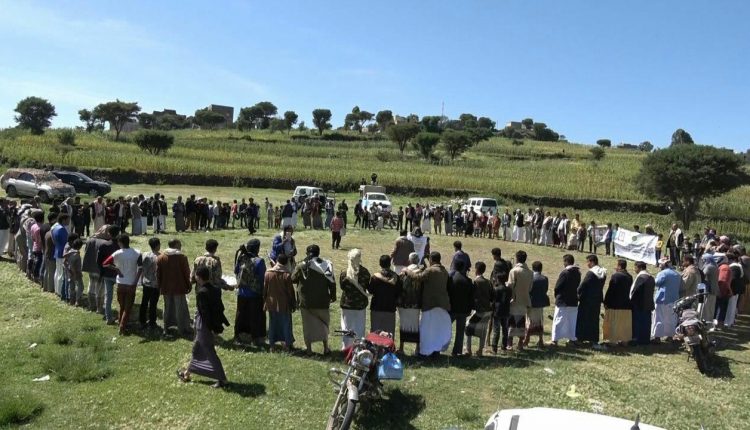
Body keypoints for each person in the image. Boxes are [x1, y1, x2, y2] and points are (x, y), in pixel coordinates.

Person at [177, 266, 230, 389]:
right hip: (210, 323)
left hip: (204, 325)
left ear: (198, 277)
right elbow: (220, 308)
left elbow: (204, 313)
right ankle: (187, 374)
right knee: (197, 348)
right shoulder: (216, 290)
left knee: (208, 351)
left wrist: (211, 328)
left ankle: (222, 379)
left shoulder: (201, 293)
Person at [292, 244, 336, 355]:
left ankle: (309, 350)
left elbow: (293, 279)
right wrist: (333, 296)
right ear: (318, 253)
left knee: (308, 326)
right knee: (324, 325)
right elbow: (332, 282)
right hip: (322, 301)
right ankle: (326, 348)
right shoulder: (326, 265)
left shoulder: (302, 266)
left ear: (307, 253)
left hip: (306, 302)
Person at [408, 251, 452, 358]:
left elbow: (418, 277)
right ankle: (436, 351)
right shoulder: (444, 271)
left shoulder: (430, 270)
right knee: (437, 330)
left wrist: (407, 271)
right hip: (442, 304)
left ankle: (424, 352)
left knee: (426, 330)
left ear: (431, 260)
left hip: (430, 304)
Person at [102, 234, 142, 335]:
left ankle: (121, 322)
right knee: (128, 308)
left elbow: (105, 263)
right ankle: (122, 326)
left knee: (122, 306)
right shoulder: (137, 253)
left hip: (120, 283)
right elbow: (140, 268)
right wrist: (135, 282)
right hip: (131, 283)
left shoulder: (117, 253)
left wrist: (117, 269)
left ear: (120, 243)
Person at [233, 239, 266, 345]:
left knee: (241, 315)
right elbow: (262, 277)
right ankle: (256, 338)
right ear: (257, 248)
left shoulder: (241, 257)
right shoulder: (259, 261)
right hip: (255, 293)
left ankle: (239, 336)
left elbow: (236, 271)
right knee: (255, 316)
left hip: (242, 292)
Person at [157, 239, 193, 337]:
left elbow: (158, 274)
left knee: (167, 308)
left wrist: (160, 286)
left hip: (166, 287)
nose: (181, 246)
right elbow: (186, 273)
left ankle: (166, 327)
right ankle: (182, 328)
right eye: (180, 244)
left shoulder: (161, 257)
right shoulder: (182, 257)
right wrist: (189, 285)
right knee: (180, 308)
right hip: (179, 287)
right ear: (176, 245)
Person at [263, 253, 296, 351]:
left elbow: (265, 289)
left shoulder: (268, 273)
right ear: (286, 263)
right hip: (284, 303)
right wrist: (293, 303)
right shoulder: (287, 275)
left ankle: (272, 345)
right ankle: (287, 345)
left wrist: (264, 300)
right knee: (286, 324)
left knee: (272, 324)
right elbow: (291, 292)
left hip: (271, 303)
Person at [339, 249, 371, 349]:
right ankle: (358, 348)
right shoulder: (365, 272)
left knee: (347, 328)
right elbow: (367, 286)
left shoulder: (344, 274)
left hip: (347, 304)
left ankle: (346, 348)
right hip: (360, 304)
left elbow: (342, 287)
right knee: (359, 328)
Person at [368, 255, 403, 336]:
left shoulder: (375, 277)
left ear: (380, 264)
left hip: (376, 308)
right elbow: (399, 292)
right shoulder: (396, 277)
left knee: (375, 333)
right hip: (390, 308)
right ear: (390, 264)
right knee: (389, 334)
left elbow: (370, 290)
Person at [575, 255, 606, 346]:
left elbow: (583, 285)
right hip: (596, 300)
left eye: (588, 262)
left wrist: (577, 293)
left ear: (592, 262)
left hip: (587, 300)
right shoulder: (602, 272)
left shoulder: (591, 273)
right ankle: (593, 339)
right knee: (594, 320)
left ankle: (580, 338)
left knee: (583, 319)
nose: (587, 264)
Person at [551, 254, 581, 345]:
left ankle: (554, 340)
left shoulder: (565, 273)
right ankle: (572, 338)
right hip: (573, 300)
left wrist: (557, 295)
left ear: (566, 262)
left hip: (563, 300)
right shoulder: (578, 272)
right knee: (572, 321)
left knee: (558, 321)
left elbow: (558, 287)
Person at [465, 261, 493, 356]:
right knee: (483, 330)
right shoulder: (488, 282)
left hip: (480, 311)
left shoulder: (476, 282)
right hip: (488, 311)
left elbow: (472, 296)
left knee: (468, 327)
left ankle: (468, 350)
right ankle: (480, 350)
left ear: (476, 270)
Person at [602, 259, 633, 346]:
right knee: (624, 324)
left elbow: (611, 289)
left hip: (615, 303)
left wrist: (606, 301)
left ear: (619, 266)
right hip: (625, 303)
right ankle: (624, 341)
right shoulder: (629, 276)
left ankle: (613, 342)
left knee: (614, 323)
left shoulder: (616, 276)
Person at [651, 257, 683, 341]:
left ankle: (657, 337)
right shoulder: (677, 274)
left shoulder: (663, 273)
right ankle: (670, 336)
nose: (659, 266)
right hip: (674, 299)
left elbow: (657, 283)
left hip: (662, 299)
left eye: (660, 264)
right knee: (671, 319)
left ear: (664, 265)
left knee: (658, 318)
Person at [506, 251, 532, 350]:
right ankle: (520, 343)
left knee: (511, 322)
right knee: (521, 322)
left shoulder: (514, 271)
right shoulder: (530, 272)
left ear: (517, 258)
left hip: (514, 300)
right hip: (525, 300)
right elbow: (530, 287)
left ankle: (509, 343)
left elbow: (510, 285)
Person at [398, 253, 423, 353]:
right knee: (416, 324)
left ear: (409, 260)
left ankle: (401, 347)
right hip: (416, 303)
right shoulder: (421, 272)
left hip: (404, 303)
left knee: (403, 324)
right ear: (418, 260)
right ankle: (417, 348)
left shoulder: (403, 272)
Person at [447, 259, 473, 356]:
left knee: (445, 328)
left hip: (451, 309)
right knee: (460, 332)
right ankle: (457, 351)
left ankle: (440, 347)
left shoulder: (451, 279)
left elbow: (448, 293)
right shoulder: (469, 281)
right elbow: (471, 297)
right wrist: (469, 309)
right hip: (463, 310)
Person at [630, 261, 655, 345]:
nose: (634, 269)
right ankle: (645, 339)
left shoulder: (642, 277)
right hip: (648, 303)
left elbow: (635, 291)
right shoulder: (650, 277)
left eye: (635, 267)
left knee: (638, 322)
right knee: (646, 323)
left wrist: (631, 300)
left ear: (639, 268)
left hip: (640, 304)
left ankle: (638, 339)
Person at [525, 261, 549, 348]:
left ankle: (526, 339)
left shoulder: (531, 278)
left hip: (531, 303)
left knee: (529, 322)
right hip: (540, 303)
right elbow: (545, 290)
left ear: (532, 268)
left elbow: (528, 290)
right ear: (541, 268)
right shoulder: (545, 278)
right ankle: (540, 340)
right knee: (539, 321)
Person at [139, 237, 161, 330]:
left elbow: (142, 268)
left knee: (144, 302)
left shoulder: (145, 254)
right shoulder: (160, 257)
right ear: (158, 245)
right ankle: (152, 322)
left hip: (146, 282)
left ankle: (142, 321)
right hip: (155, 284)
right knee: (153, 304)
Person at [51, 214, 70, 299]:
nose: (69, 222)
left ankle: (56, 289)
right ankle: (60, 291)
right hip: (62, 252)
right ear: (63, 220)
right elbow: (66, 242)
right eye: (67, 220)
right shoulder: (62, 229)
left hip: (57, 251)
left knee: (57, 272)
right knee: (61, 274)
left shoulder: (55, 227)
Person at [725, 252, 744, 327]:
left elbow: (733, 280)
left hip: (733, 290)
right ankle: (730, 322)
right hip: (735, 290)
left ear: (730, 259)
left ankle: (729, 322)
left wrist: (730, 290)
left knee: (731, 307)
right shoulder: (738, 266)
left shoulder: (734, 267)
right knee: (732, 306)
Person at [64, 238, 84, 306]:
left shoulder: (70, 252)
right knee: (80, 287)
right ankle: (78, 301)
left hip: (69, 272)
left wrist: (68, 269)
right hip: (76, 272)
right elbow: (72, 265)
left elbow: (64, 262)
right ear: (80, 246)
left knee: (71, 287)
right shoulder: (76, 255)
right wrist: (75, 274)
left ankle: (71, 300)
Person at [714, 254, 733, 329]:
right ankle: (718, 324)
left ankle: (718, 324)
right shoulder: (724, 267)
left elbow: (723, 281)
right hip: (723, 290)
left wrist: (721, 291)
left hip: (722, 291)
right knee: (721, 308)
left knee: (721, 308)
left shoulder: (724, 268)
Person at [699, 253, 719, 324]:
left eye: (704, 259)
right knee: (711, 308)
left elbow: (702, 275)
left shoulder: (709, 267)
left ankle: (706, 323)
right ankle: (709, 322)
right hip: (713, 289)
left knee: (707, 308)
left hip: (709, 290)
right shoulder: (715, 266)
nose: (703, 261)